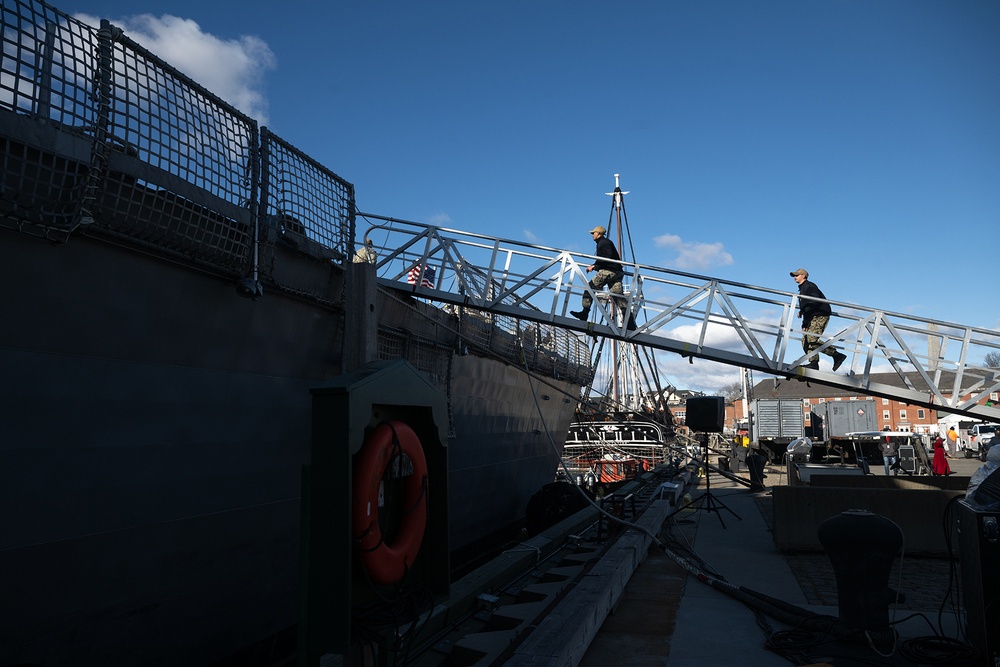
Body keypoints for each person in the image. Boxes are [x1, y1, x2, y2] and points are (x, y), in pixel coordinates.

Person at [571, 226, 633, 328]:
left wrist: (594, 266)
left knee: (589, 288)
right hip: (616, 272)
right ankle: (630, 324)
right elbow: (606, 257)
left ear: (598, 233)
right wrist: (595, 265)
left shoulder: (603, 243)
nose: (592, 235)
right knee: (618, 297)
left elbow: (606, 257)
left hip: (608, 271)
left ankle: (584, 313)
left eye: (593, 233)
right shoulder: (605, 243)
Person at [790, 268, 847, 371]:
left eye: (797, 275)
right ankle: (814, 363)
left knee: (812, 338)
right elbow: (807, 307)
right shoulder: (802, 289)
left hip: (820, 314)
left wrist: (803, 310)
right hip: (812, 316)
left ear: (803, 276)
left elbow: (814, 301)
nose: (795, 277)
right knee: (805, 340)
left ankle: (836, 355)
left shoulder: (809, 286)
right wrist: (804, 323)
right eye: (794, 275)